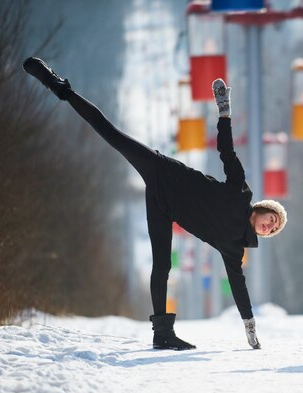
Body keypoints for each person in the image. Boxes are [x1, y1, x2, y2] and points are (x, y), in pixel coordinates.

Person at [23, 57, 287, 351]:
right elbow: (227, 151)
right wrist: (224, 111)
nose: (270, 225)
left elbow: (239, 288)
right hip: (165, 173)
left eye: (273, 229)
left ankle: (162, 333)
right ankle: (58, 86)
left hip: (163, 207)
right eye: (273, 218)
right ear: (264, 208)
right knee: (110, 133)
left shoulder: (234, 248)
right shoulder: (240, 191)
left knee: (161, 266)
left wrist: (250, 329)